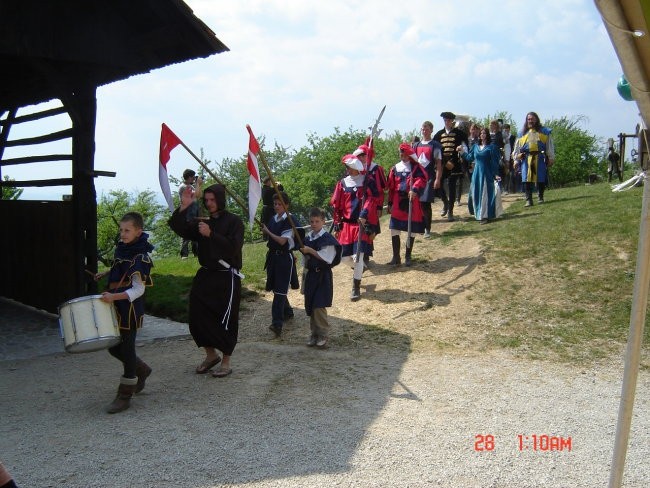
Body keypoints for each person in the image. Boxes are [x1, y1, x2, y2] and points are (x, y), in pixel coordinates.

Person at [168, 183, 244, 378]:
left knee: (225, 320)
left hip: (227, 276)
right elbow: (180, 228)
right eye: (206, 200)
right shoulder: (202, 221)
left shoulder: (234, 222)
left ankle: (226, 361)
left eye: (213, 200)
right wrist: (184, 207)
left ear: (220, 199)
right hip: (206, 275)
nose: (209, 203)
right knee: (197, 317)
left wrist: (212, 235)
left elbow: (233, 248)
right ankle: (211, 355)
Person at [95, 211, 154, 414]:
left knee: (127, 348)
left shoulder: (140, 257)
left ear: (139, 231)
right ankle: (142, 369)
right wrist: (105, 273)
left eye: (127, 230)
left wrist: (113, 297)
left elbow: (138, 289)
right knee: (113, 347)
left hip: (129, 308)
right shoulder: (124, 249)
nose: (123, 233)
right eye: (121, 230)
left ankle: (125, 394)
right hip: (117, 305)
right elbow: (120, 270)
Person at [330, 154, 380, 300]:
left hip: (361, 225)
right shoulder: (342, 183)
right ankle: (360, 269)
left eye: (350, 167)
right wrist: (337, 224)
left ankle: (355, 287)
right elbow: (337, 205)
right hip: (346, 225)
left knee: (358, 256)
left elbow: (372, 199)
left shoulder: (366, 182)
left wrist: (364, 213)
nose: (348, 169)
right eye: (347, 167)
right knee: (344, 258)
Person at [300, 207, 341, 348]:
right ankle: (314, 333)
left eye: (317, 221)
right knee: (311, 305)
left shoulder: (327, 239)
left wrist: (311, 250)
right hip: (311, 275)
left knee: (319, 305)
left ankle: (323, 333)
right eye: (311, 221)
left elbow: (326, 258)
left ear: (323, 221)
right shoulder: (308, 238)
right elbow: (305, 259)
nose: (314, 224)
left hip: (322, 276)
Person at [261, 191, 300, 337]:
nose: (277, 206)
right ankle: (288, 311)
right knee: (276, 288)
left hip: (284, 259)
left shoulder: (290, 220)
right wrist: (266, 229)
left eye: (280, 204)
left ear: (286, 205)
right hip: (273, 257)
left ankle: (277, 324)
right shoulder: (273, 219)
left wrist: (268, 232)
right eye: (275, 204)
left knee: (279, 292)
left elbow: (282, 241)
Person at [386, 143, 427, 266]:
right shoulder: (395, 168)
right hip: (398, 201)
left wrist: (414, 189)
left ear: (409, 154)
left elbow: (422, 179)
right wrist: (390, 202)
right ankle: (396, 257)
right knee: (394, 229)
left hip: (411, 201)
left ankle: (408, 256)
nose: (402, 155)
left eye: (404, 153)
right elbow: (391, 188)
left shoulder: (415, 168)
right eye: (400, 152)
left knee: (412, 229)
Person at [458, 127, 501, 224]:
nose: (482, 135)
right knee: (477, 193)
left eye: (484, 133)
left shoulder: (491, 147)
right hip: (476, 173)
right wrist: (461, 152)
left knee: (485, 193)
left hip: (486, 173)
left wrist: (495, 174)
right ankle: (478, 213)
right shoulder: (475, 147)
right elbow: (469, 158)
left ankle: (485, 216)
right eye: (481, 133)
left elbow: (494, 162)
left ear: (487, 135)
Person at [353, 143, 387, 263]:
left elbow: (381, 188)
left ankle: (367, 251)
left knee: (371, 230)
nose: (361, 158)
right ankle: (365, 255)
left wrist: (379, 206)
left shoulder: (376, 168)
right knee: (362, 230)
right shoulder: (355, 170)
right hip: (359, 205)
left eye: (364, 155)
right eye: (359, 156)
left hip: (372, 204)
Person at [512, 111, 555, 206]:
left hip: (539, 157)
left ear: (536, 119)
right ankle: (529, 199)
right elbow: (517, 148)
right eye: (528, 119)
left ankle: (540, 197)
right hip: (526, 158)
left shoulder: (544, 131)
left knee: (540, 178)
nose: (530, 121)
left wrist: (551, 157)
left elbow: (549, 145)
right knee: (526, 179)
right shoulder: (522, 133)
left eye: (532, 119)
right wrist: (516, 159)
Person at [433, 112, 468, 221]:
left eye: (448, 120)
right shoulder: (438, 134)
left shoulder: (459, 133)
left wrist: (461, 149)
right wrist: (442, 161)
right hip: (442, 163)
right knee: (438, 185)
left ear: (452, 121)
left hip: (454, 163)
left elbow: (466, 145)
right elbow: (434, 149)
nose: (446, 122)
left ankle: (451, 211)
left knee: (452, 187)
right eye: (445, 120)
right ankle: (445, 202)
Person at [412, 121, 443, 239]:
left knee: (425, 203)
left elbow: (439, 164)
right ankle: (420, 226)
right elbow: (412, 163)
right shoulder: (416, 145)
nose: (424, 131)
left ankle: (427, 228)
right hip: (417, 178)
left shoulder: (435, 145)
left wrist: (438, 179)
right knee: (418, 203)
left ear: (431, 130)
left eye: (427, 129)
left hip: (429, 177)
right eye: (423, 129)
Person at [178, 169, 201, 259]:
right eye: (193, 177)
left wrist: (198, 185)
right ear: (189, 177)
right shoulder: (184, 187)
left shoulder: (190, 186)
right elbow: (196, 195)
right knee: (186, 235)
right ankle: (184, 254)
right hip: (187, 213)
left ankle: (196, 253)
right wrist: (198, 184)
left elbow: (198, 195)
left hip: (193, 212)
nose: (193, 179)